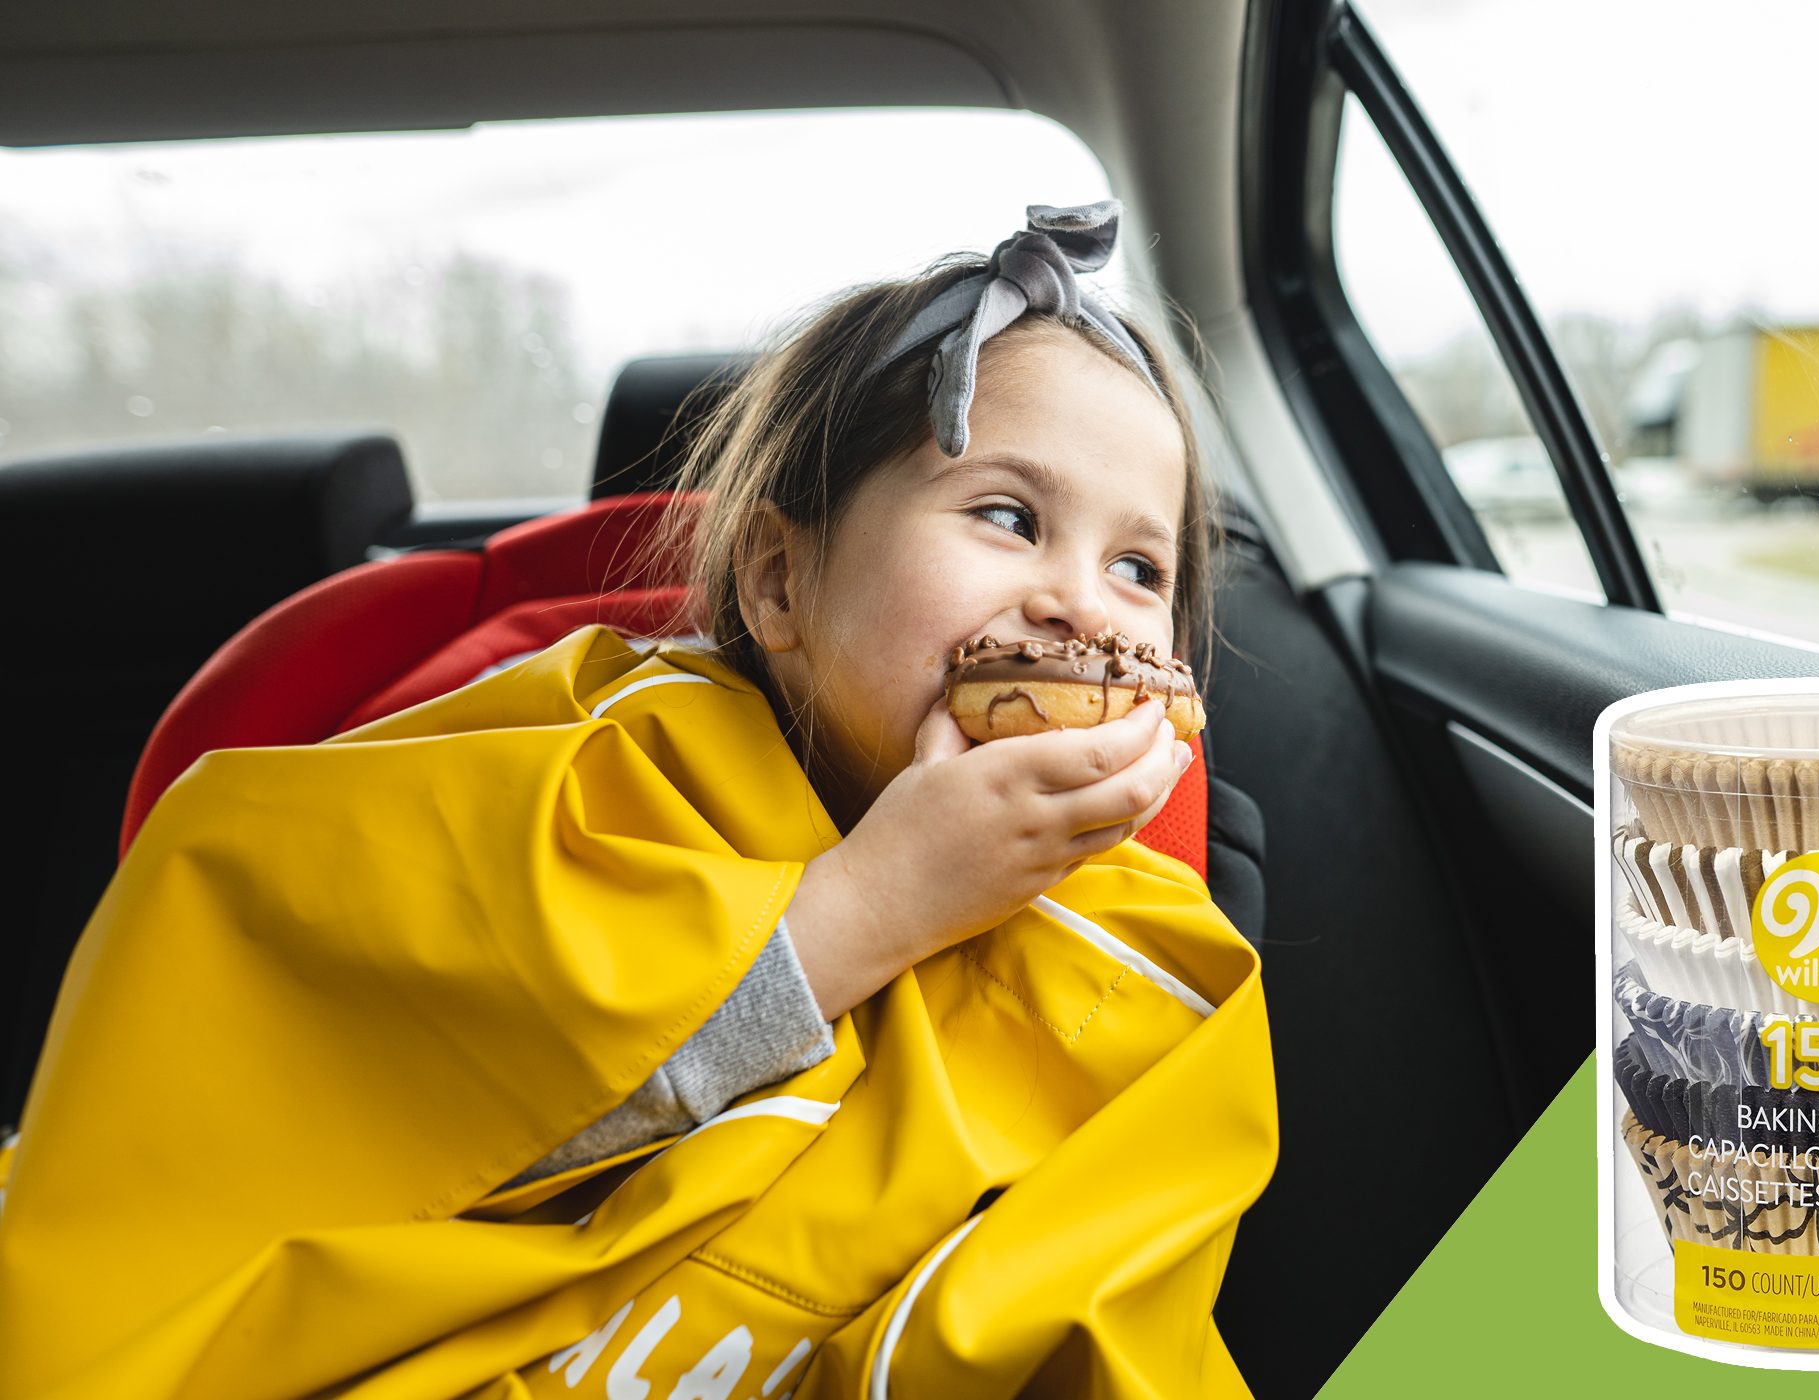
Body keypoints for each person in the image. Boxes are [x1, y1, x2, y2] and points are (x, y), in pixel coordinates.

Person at [0, 202, 1277, 1398]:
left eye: (1137, 564)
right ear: (779, 584)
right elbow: (415, 1105)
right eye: (1007, 515)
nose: (1080, 602)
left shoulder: (1138, 934)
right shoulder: (606, 758)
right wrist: (880, 898)